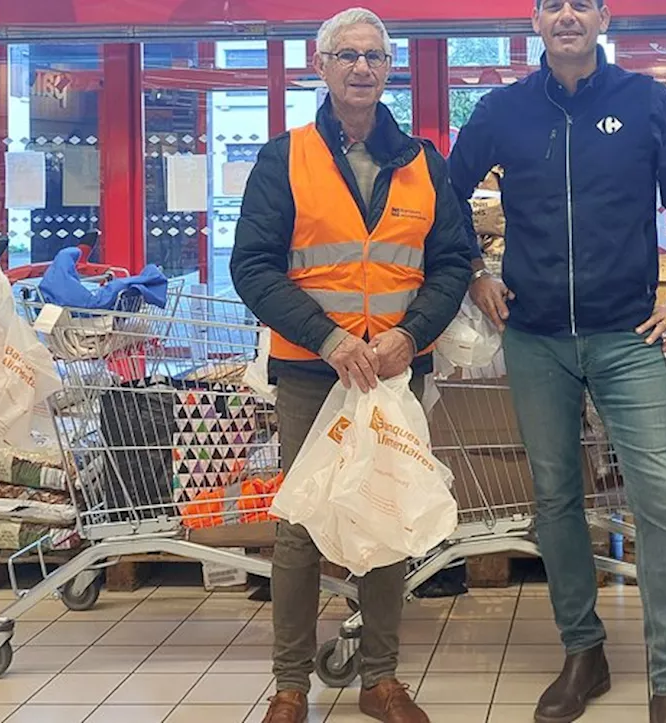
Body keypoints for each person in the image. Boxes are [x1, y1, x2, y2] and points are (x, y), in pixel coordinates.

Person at [447, 1, 666, 721]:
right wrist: (474, 268)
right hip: (534, 336)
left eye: (582, 4)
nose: (567, 15)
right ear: (536, 21)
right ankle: (583, 651)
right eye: (553, 4)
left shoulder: (645, 102)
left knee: (659, 495)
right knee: (556, 499)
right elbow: (444, 191)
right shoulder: (504, 109)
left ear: (603, 19)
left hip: (628, 336)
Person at [230, 8, 472, 723]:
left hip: (396, 369)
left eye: (373, 56)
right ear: (323, 64)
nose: (361, 67)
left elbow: (453, 260)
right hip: (313, 370)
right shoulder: (287, 157)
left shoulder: (423, 161)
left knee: (386, 516)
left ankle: (382, 679)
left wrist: (412, 333)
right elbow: (252, 266)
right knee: (302, 526)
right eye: (347, 55)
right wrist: (331, 339)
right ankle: (289, 686)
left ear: (388, 68)